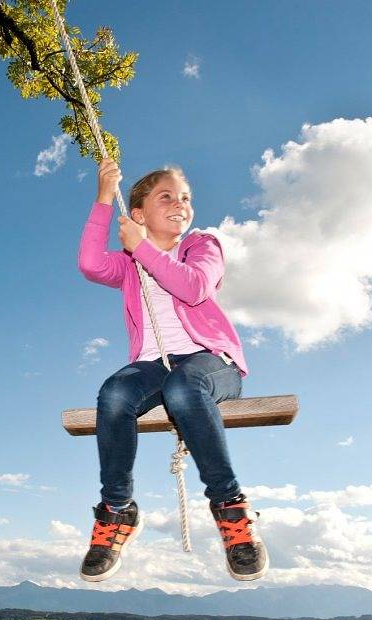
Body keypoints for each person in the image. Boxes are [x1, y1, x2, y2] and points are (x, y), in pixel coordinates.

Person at [76, 158, 268, 583]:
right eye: (166, 197)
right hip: (152, 367)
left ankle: (230, 508)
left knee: (184, 387)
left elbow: (195, 286)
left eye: (185, 197)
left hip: (210, 364)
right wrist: (105, 199)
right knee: (113, 394)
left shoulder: (202, 245)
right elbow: (90, 264)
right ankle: (118, 511)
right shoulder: (129, 265)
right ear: (139, 214)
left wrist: (142, 246)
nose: (180, 203)